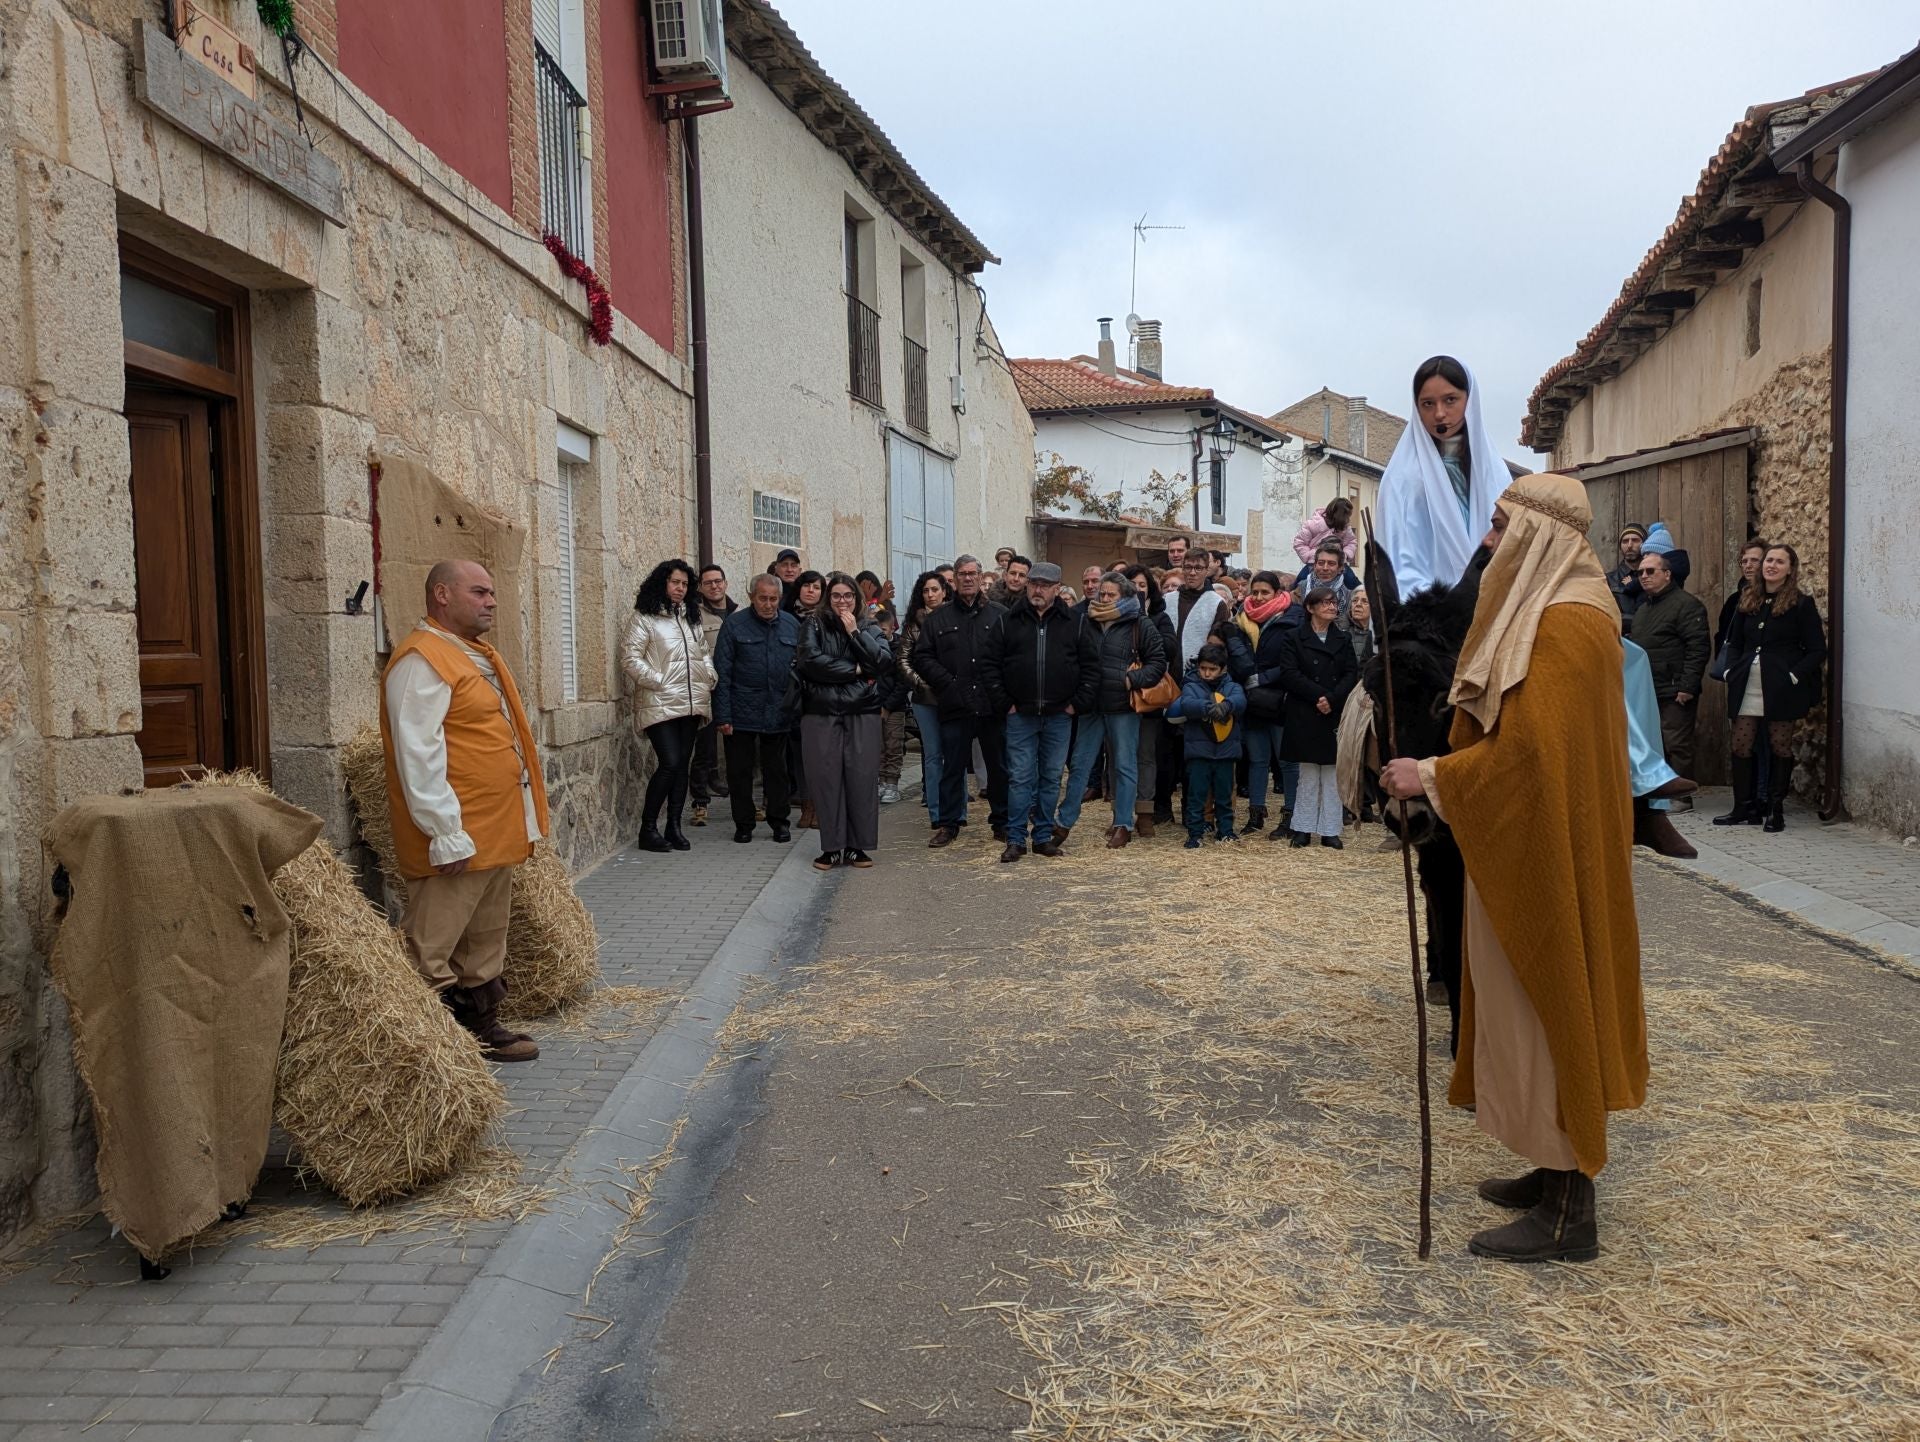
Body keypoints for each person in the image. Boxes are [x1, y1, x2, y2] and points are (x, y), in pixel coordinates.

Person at [1379, 473, 1646, 1264]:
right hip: (1530, 844)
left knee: (1545, 1002)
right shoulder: (1563, 609)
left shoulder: (1566, 624)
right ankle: (1552, 1167)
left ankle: (1570, 1211)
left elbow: (1529, 759)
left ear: (1539, 534)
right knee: (1523, 1004)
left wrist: (1429, 777)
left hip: (1545, 846)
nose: (1487, 542)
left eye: (1500, 526)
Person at [381, 560, 548, 1062]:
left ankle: (479, 1024)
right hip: (457, 832)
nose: (491, 601)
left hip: (492, 828)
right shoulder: (421, 660)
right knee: (429, 944)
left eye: (492, 592)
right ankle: (418, 1048)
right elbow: (418, 752)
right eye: (479, 592)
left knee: (484, 935)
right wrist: (443, 830)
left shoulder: (470, 653)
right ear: (441, 595)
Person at [984, 562, 1097, 862]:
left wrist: (1077, 703)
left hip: (1059, 715)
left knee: (1050, 777)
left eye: (1045, 585)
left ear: (1057, 589)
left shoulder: (1076, 622)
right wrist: (1003, 701)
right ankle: (1016, 839)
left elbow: (1090, 668)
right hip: (1019, 714)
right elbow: (990, 665)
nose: (1037, 589)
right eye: (1033, 583)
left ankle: (1043, 837)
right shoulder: (1008, 621)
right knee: (1020, 777)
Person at [1377, 356, 1506, 596]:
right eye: (1428, 404)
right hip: (1428, 615)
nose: (1439, 414)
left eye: (1450, 400)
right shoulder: (1402, 479)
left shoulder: (1496, 474)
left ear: (1470, 400)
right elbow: (1399, 563)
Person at [1718, 544, 1825, 833]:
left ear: (1790, 569)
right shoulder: (1748, 599)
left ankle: (1775, 810)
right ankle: (1744, 807)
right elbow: (1736, 641)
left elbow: (1816, 650)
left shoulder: (1800, 605)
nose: (1771, 565)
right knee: (1741, 744)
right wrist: (1731, 669)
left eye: (1779, 561)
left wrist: (1792, 675)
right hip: (1747, 683)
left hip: (1781, 687)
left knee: (1779, 745)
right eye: (1769, 560)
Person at [792, 574, 894, 869]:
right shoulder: (813, 624)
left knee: (861, 779)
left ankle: (856, 846)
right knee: (826, 779)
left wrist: (854, 634)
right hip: (821, 711)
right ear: (828, 597)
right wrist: (856, 670)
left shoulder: (868, 625)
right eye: (836, 595)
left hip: (862, 711)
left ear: (856, 598)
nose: (842, 601)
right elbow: (810, 662)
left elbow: (883, 663)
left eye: (847, 595)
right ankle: (831, 847)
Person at [1056, 572, 1165, 849]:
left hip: (1123, 706)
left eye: (1110, 594)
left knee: (1125, 766)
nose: (1103, 598)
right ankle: (1064, 822)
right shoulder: (1086, 620)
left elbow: (1157, 662)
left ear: (1125, 596)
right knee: (1080, 765)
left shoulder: (1140, 623)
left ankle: (1123, 825)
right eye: (1101, 593)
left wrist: (1132, 680)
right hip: (1091, 706)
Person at [913, 554, 1009, 848]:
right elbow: (922, 656)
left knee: (998, 766)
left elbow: (1013, 656)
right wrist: (947, 684)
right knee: (951, 767)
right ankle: (948, 824)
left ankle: (1002, 822)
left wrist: (1000, 689)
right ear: (953, 580)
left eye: (972, 573)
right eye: (961, 574)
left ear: (981, 578)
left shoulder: (1000, 615)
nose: (967, 579)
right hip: (955, 703)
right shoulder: (938, 618)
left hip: (991, 705)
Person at [622, 559, 717, 854]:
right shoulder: (644, 618)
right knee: (670, 763)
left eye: (685, 584)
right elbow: (630, 657)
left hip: (691, 703)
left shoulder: (690, 618)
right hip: (659, 702)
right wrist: (659, 680)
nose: (680, 588)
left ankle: (673, 827)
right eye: (675, 582)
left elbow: (703, 654)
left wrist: (709, 675)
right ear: (663, 583)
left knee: (681, 767)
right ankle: (648, 829)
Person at [712, 574, 799, 845]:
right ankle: (744, 823)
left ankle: (779, 822)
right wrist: (722, 715)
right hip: (741, 711)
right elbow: (722, 673)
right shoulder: (734, 625)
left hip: (779, 711)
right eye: (763, 598)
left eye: (774, 599)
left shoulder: (791, 624)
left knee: (778, 772)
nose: (769, 604)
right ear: (751, 597)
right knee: (739, 772)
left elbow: (800, 668)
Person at [1628, 549, 1710, 809]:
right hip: (1648, 688)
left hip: (1675, 688)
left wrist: (1687, 686)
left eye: (1650, 571)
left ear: (1667, 574)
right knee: (1654, 741)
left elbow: (1698, 647)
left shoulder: (1687, 605)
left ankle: (1680, 797)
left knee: (1676, 742)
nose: (1644, 576)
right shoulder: (1642, 610)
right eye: (1640, 572)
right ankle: (1654, 796)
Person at [1278, 586, 1360, 848]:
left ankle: (1330, 829)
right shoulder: (1293, 637)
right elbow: (1289, 673)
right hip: (1305, 709)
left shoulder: (1343, 639)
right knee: (1308, 771)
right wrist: (1318, 696)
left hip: (1333, 711)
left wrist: (1332, 699)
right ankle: (1302, 827)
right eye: (1324, 603)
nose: (1331, 607)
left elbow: (1351, 673)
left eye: (1333, 603)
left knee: (1332, 772)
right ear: (1310, 608)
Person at [1232, 570, 1296, 835]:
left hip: (1280, 699)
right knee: (1257, 760)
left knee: (1286, 762)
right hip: (1251, 700)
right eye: (1254, 592)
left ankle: (1290, 817)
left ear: (1277, 593)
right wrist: (1248, 675)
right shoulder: (1240, 619)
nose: (1258, 598)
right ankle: (1256, 814)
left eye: (1264, 592)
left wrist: (1263, 678)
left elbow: (1293, 662)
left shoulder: (1292, 619)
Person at [1121, 562, 1182, 836]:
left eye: (1142, 586)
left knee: (1146, 755)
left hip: (1148, 696)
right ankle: (1121, 814)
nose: (1137, 591)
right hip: (1119, 697)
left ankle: (1145, 813)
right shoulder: (1111, 617)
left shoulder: (1159, 616)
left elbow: (1169, 649)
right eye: (1131, 586)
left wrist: (1143, 620)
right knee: (1121, 757)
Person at [1168, 642, 1247, 846]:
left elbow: (1240, 700)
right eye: (1203, 668)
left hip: (1226, 752)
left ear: (1223, 669)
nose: (1207, 673)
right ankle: (1195, 833)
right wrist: (1208, 707)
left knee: (1224, 795)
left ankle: (1226, 831)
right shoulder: (1191, 685)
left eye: (1212, 669)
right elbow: (1186, 704)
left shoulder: (1232, 686)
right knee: (1196, 796)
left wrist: (1227, 705)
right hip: (1199, 752)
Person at [1713, 540, 1771, 809]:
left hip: (1768, 679)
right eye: (1744, 561)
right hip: (1742, 678)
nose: (1749, 566)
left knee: (1766, 741)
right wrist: (1728, 670)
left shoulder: (1776, 599)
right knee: (1743, 740)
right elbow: (1724, 637)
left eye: (1755, 560)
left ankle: (1764, 796)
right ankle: (1745, 801)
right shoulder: (1736, 600)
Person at [896, 571, 953, 831]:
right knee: (932, 755)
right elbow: (903, 660)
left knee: (955, 754)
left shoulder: (956, 619)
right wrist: (923, 683)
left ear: (944, 592)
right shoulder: (914, 625)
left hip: (953, 697)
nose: (930, 595)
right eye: (926, 591)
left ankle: (956, 807)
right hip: (925, 698)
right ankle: (936, 810)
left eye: (935, 590)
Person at [689, 563, 737, 825]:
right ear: (701, 587)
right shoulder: (694, 615)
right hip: (707, 689)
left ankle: (743, 804)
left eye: (718, 581)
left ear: (725, 583)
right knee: (705, 747)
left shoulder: (737, 613)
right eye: (708, 583)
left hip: (733, 690)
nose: (714, 586)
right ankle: (699, 803)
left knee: (737, 748)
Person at [872, 602, 906, 804]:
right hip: (874, 705)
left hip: (895, 707)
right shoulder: (872, 648)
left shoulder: (900, 648)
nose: (880, 634)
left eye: (883, 630)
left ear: (893, 628)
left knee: (893, 745)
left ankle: (892, 783)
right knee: (878, 746)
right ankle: (879, 782)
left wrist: (889, 706)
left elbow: (903, 682)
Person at [1292, 540, 1359, 627]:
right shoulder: (1299, 592)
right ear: (1315, 565)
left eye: (1331, 564)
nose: (1325, 568)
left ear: (1340, 568)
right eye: (1321, 563)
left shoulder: (1348, 597)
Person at [1295, 495, 1359, 568]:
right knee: (1301, 579)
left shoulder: (1345, 528)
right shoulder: (1312, 525)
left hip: (1338, 564)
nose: (1348, 519)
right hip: (1314, 563)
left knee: (1351, 579)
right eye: (1347, 516)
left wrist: (1345, 554)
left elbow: (1351, 542)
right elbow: (1299, 542)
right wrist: (1310, 556)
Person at [1606, 524, 1647, 630]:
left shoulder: (1653, 577)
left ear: (1644, 544)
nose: (1629, 545)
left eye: (1635, 540)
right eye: (1625, 541)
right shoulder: (1608, 580)